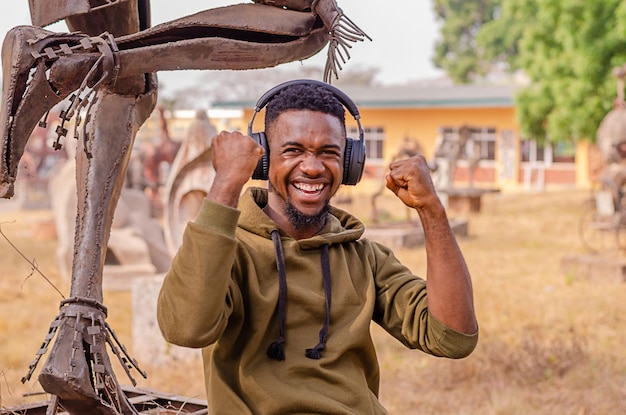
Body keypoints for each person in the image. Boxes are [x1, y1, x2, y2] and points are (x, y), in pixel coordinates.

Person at [156, 80, 478, 414]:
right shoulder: (227, 250)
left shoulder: (364, 257)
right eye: (293, 151)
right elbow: (184, 329)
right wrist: (226, 182)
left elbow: (453, 337)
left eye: (328, 153)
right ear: (262, 159)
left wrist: (431, 211)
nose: (312, 167)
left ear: (350, 163)